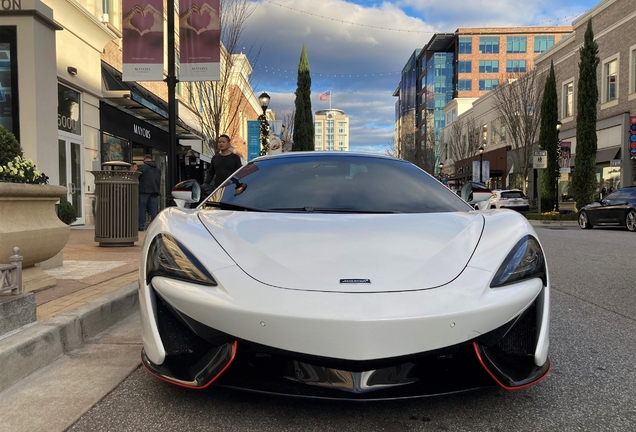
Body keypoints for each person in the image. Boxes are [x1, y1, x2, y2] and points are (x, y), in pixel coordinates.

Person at [137, 154, 161, 231]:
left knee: (142, 209)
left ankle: (141, 226)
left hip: (144, 190)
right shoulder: (157, 169)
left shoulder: (143, 167)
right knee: (153, 210)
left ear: (145, 159)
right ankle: (153, 227)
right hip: (154, 190)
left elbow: (137, 176)